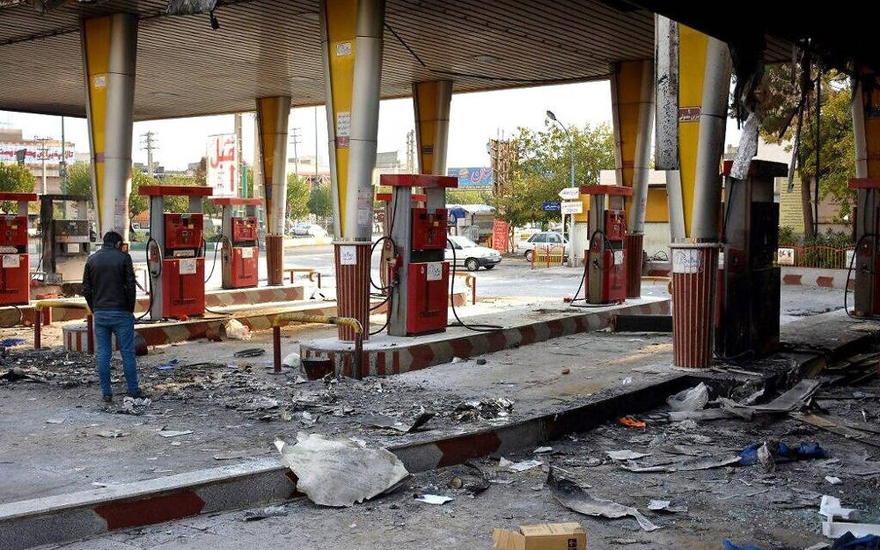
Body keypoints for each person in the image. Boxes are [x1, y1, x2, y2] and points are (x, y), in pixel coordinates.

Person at [82, 231, 145, 403]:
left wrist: (95, 308)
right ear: (118, 243)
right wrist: (129, 309)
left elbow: (86, 288)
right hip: (121, 312)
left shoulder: (92, 259)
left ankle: (106, 393)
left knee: (103, 353)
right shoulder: (124, 258)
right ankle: (133, 390)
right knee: (127, 353)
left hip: (101, 313)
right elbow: (131, 286)